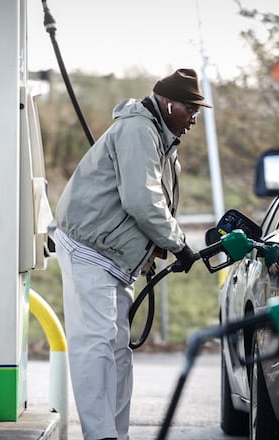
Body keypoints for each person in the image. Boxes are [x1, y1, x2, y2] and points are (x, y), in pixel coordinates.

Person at [53, 68, 212, 440]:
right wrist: (178, 243)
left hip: (114, 257)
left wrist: (157, 244)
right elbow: (142, 200)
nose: (193, 119)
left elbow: (146, 202)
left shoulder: (162, 139)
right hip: (89, 248)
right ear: (169, 103)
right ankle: (101, 435)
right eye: (191, 110)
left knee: (117, 351)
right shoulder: (139, 129)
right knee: (96, 344)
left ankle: (116, 434)